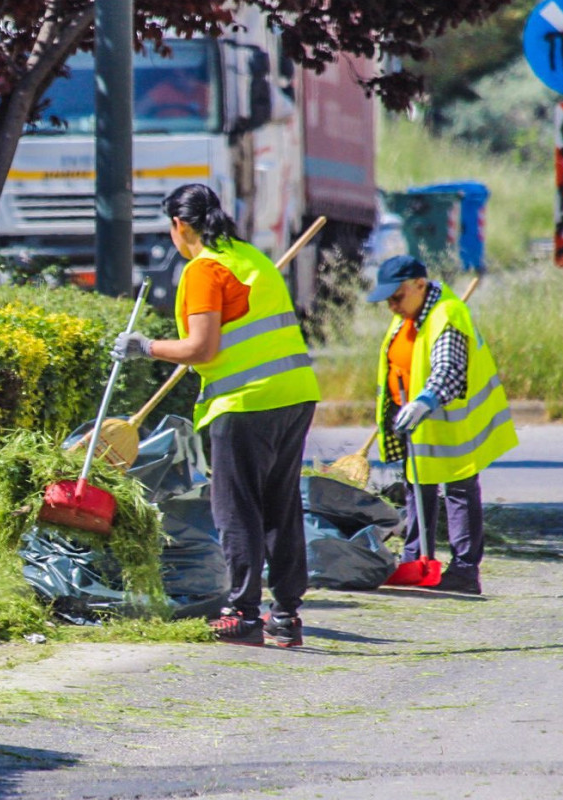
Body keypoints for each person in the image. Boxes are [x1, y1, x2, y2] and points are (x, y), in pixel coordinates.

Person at [110, 183, 319, 647]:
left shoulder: (204, 270)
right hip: (296, 394)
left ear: (179, 225)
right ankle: (285, 617)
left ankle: (242, 613)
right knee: (281, 508)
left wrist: (146, 347)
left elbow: (201, 349)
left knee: (238, 509)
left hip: (244, 404)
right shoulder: (251, 258)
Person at [366, 256, 517, 595]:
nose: (392, 305)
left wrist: (425, 401)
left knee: (459, 491)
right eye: (388, 299)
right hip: (417, 427)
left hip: (450, 425)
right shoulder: (408, 314)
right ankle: (416, 558)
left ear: (420, 284)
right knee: (417, 487)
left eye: (397, 296)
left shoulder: (447, 315)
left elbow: (449, 371)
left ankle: (464, 571)